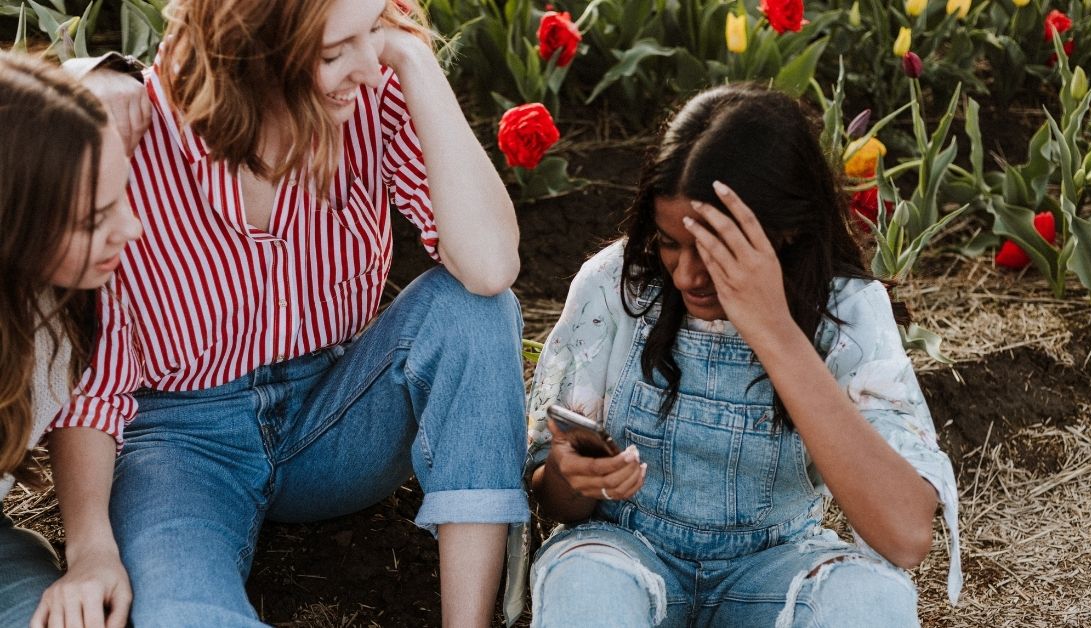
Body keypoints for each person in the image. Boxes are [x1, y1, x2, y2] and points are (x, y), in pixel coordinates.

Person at [60, 0, 527, 625]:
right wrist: (90, 549)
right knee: (182, 616)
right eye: (336, 51)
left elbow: (491, 266)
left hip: (335, 415)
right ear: (254, 54)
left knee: (474, 309)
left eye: (374, 33)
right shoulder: (136, 134)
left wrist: (414, 57)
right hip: (182, 446)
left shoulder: (370, 97)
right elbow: (95, 380)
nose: (368, 63)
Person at [525, 84, 961, 627]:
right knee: (584, 585)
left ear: (786, 230)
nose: (685, 275)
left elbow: (906, 536)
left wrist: (774, 328)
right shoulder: (618, 285)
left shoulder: (845, 310)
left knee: (870, 602)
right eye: (668, 243)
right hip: (626, 556)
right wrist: (571, 476)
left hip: (775, 569)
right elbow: (556, 498)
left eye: (713, 250)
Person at [0, 51, 143, 628]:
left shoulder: (58, 305)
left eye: (123, 195)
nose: (131, 230)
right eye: (92, 220)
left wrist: (108, 72)